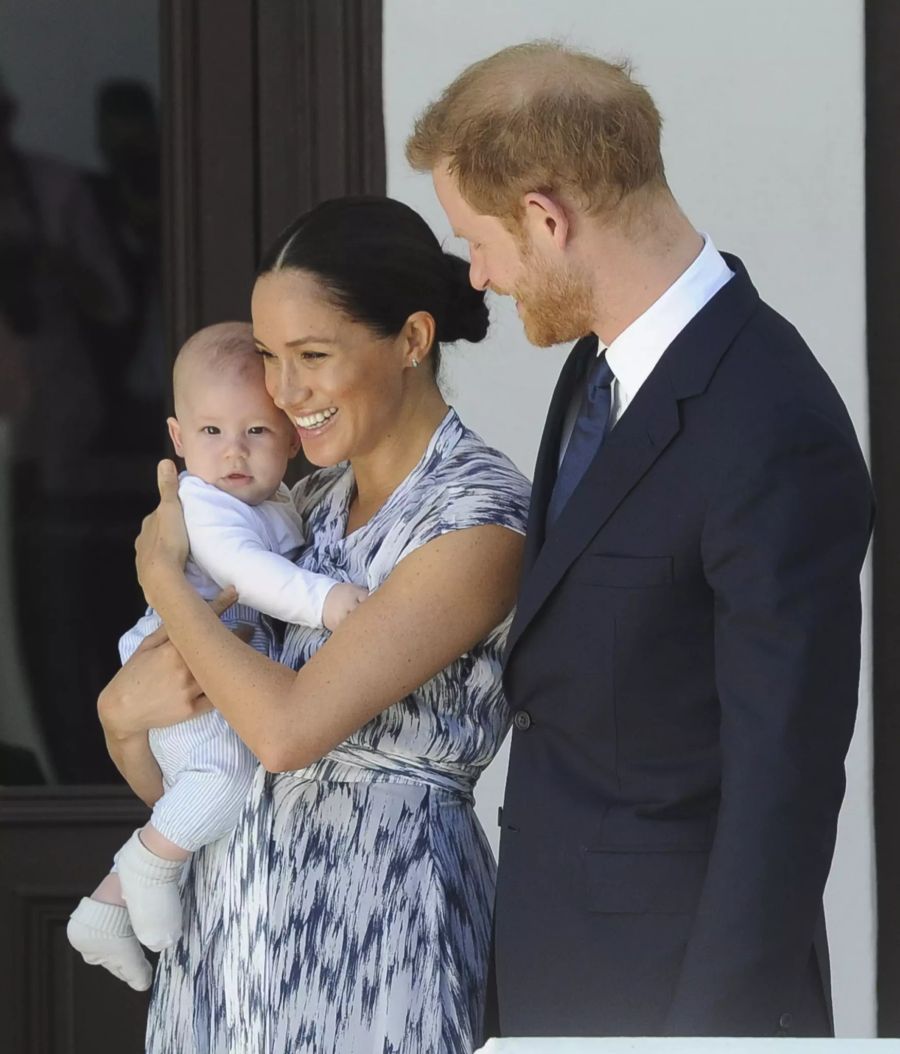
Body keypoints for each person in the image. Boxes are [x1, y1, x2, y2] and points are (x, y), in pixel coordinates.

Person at [406, 41, 875, 1039]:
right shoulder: (595, 373)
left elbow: (783, 786)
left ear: (546, 215)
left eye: (476, 240)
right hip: (553, 980)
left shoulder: (772, 417)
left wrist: (704, 1039)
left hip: (674, 1005)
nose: (477, 277)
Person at [96, 196, 530, 1053]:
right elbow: (202, 768)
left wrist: (162, 578)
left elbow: (287, 733)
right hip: (229, 941)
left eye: (312, 356)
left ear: (411, 340)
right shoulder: (302, 505)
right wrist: (118, 718)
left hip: (380, 947)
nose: (282, 393)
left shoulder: (477, 516)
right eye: (266, 357)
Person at [67, 321, 365, 991]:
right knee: (224, 779)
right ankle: (146, 864)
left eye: (256, 432)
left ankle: (107, 907)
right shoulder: (202, 507)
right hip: (180, 663)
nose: (233, 451)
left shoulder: (280, 501)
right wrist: (327, 602)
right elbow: (248, 574)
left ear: (291, 436)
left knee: (215, 778)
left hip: (214, 665)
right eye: (210, 433)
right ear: (177, 439)